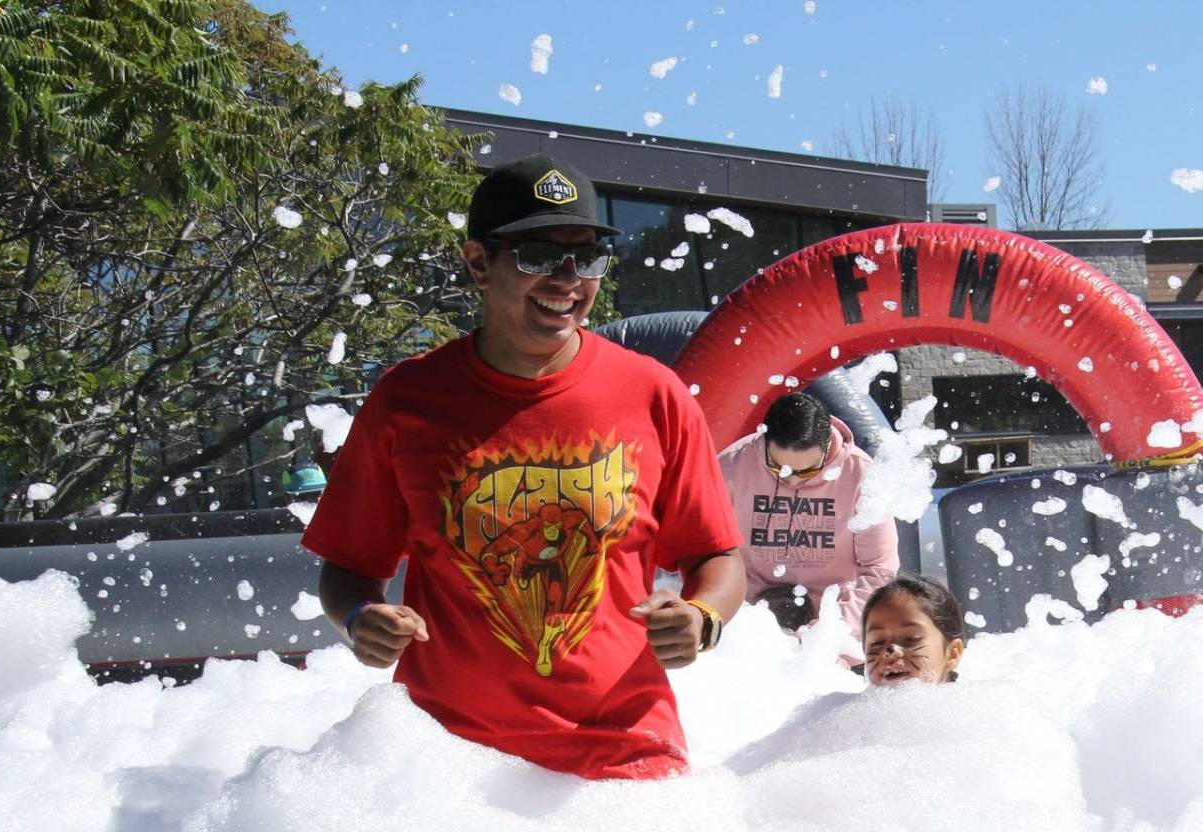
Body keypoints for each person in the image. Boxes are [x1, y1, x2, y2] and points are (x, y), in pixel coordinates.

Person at [300, 154, 745, 780]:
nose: (568, 280)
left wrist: (703, 619)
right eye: (539, 256)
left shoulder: (654, 392)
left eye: (586, 257)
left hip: (623, 750)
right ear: (479, 262)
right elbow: (348, 568)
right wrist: (357, 619)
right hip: (447, 757)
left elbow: (717, 559)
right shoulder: (407, 400)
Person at [717, 392, 897, 656]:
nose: (792, 482)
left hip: (834, 630)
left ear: (826, 450)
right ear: (766, 442)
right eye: (779, 469)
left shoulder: (862, 476)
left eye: (807, 472)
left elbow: (880, 571)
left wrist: (826, 633)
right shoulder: (730, 468)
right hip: (747, 625)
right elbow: (704, 553)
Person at [861, 574, 966, 686]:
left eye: (911, 639)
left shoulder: (974, 702)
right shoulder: (849, 701)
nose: (890, 651)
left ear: (952, 654)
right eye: (877, 642)